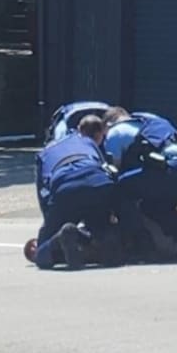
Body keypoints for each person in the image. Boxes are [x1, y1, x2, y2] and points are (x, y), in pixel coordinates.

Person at [102, 106, 177, 263]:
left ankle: (140, 245)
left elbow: (114, 172)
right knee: (153, 206)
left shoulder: (115, 132)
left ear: (108, 124)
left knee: (119, 188)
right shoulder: (153, 122)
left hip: (172, 168)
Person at [33, 115, 135, 269]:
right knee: (99, 224)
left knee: (41, 256)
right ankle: (104, 239)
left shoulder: (45, 152)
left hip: (66, 187)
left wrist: (50, 224)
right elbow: (106, 168)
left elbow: (44, 195)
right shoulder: (87, 142)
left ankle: (62, 237)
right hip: (98, 183)